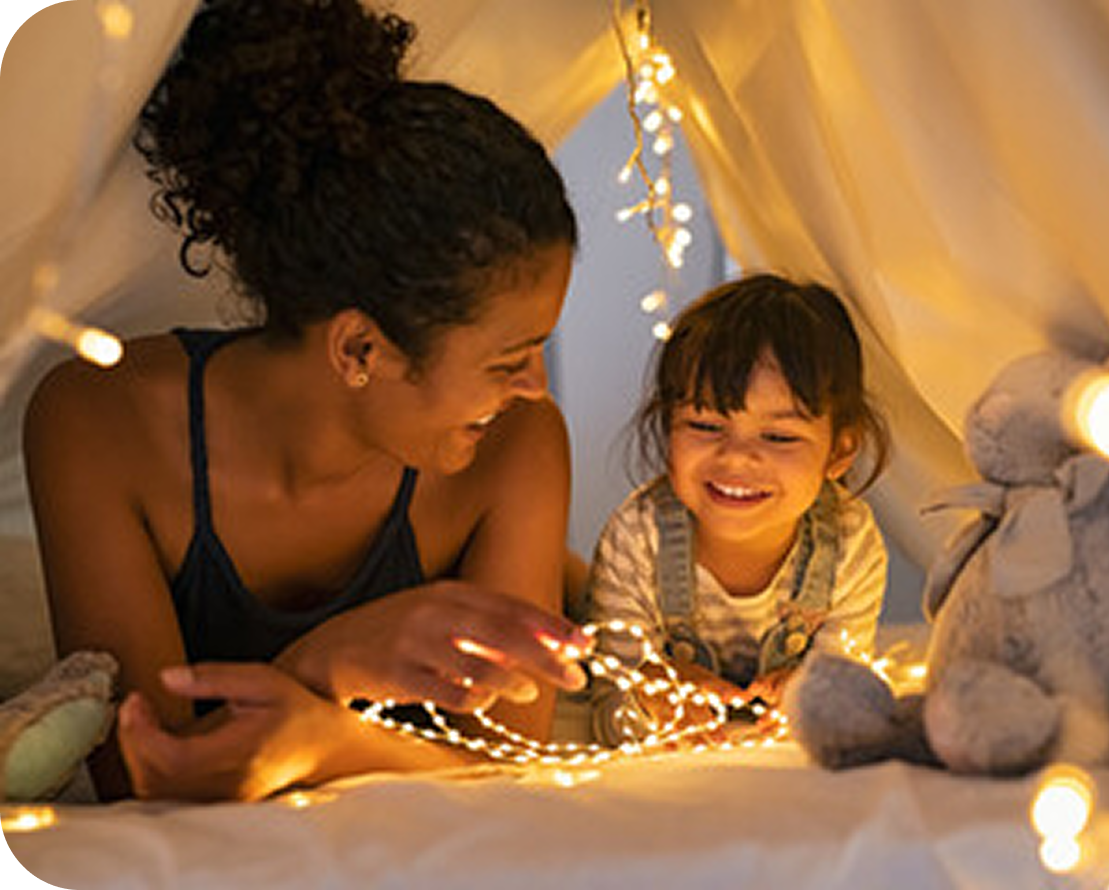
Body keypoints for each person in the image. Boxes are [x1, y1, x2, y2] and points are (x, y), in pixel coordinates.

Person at [22, 0, 592, 802]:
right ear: (360, 348)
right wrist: (328, 662)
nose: (534, 386)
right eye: (509, 359)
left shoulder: (516, 447)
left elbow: (506, 771)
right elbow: (145, 775)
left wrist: (326, 736)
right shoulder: (99, 423)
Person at [581, 274, 893, 745]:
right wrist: (653, 700)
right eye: (705, 425)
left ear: (840, 450)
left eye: (780, 437)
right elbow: (608, 711)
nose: (736, 458)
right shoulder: (637, 538)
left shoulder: (849, 542)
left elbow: (845, 694)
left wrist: (807, 697)